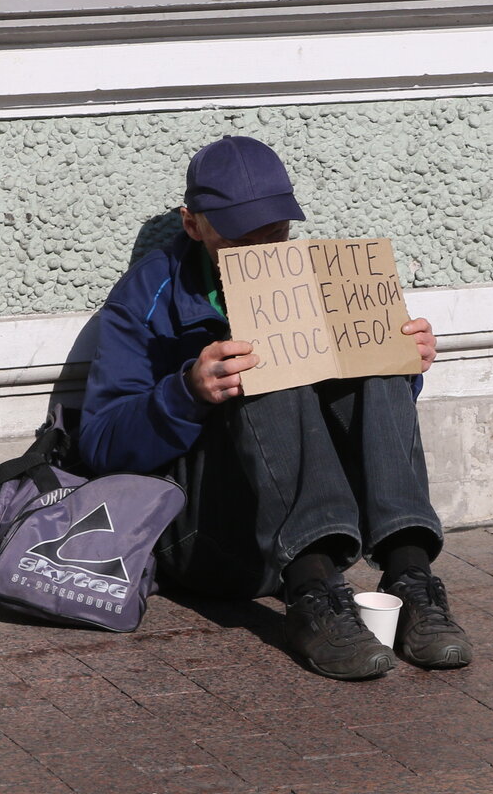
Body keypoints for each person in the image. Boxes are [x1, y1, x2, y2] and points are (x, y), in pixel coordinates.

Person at [79, 136, 471, 680]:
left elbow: (358, 412)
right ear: (193, 225)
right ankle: (311, 601)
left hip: (323, 527)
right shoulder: (144, 297)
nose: (266, 251)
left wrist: (404, 363)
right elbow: (98, 445)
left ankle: (411, 579)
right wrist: (187, 391)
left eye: (278, 233)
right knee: (260, 361)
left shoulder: (319, 275)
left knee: (374, 354)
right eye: (243, 239)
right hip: (206, 537)